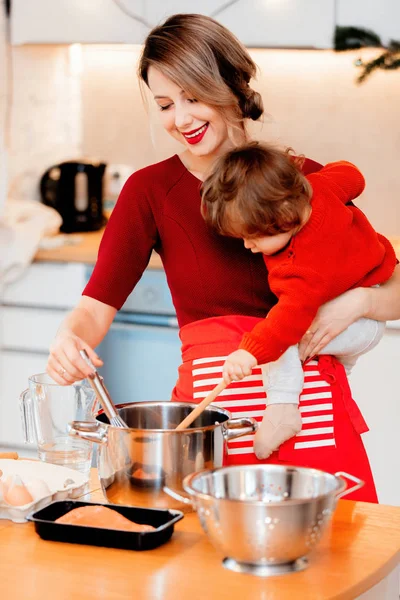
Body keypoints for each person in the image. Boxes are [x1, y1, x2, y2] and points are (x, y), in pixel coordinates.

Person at [47, 13, 400, 503]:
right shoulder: (149, 192)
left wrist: (355, 305)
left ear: (232, 84)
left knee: (336, 563)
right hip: (211, 424)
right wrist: (70, 338)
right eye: (166, 104)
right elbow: (95, 306)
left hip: (312, 411)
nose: (181, 119)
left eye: (194, 96)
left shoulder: (299, 182)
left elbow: (394, 288)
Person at [201, 142, 397, 460]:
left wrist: (248, 353)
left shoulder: (300, 267)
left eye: (253, 236)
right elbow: (353, 175)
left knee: (284, 340)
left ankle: (282, 412)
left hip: (364, 321)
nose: (248, 245)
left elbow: (285, 321)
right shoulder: (319, 186)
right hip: (373, 288)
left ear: (285, 214)